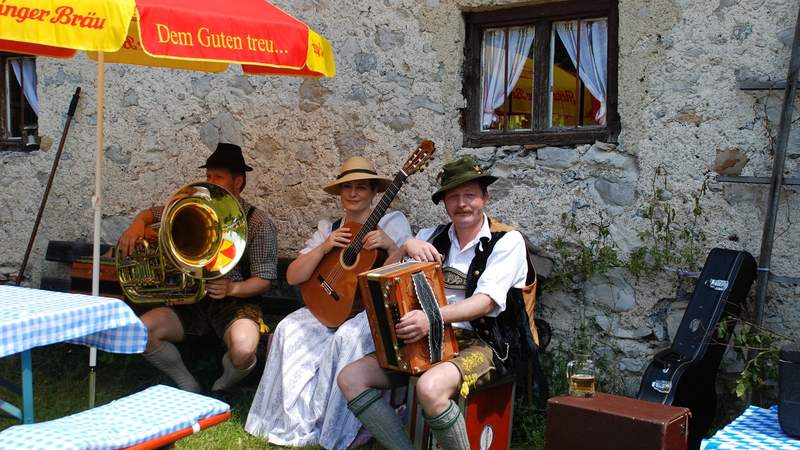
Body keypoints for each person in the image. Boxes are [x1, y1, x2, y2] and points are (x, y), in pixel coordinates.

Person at [336, 155, 535, 450]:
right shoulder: (431, 236)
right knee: (350, 377)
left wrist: (430, 317)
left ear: (485, 197)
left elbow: (484, 302)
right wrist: (402, 246)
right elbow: (377, 282)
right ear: (444, 203)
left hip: (489, 343)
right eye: (453, 196)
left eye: (470, 195)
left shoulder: (507, 241)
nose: (462, 203)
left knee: (430, 387)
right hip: (429, 338)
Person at [246, 156, 412, 449]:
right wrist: (325, 247)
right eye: (347, 187)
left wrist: (389, 245)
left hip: (368, 313)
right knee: (288, 328)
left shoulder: (390, 222)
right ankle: (286, 419)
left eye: (361, 187)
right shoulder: (331, 227)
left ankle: (329, 425)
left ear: (374, 192)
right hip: (332, 307)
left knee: (345, 339)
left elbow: (407, 271)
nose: (353, 193)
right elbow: (294, 276)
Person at [118, 143, 278, 393]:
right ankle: (187, 383)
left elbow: (264, 279)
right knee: (141, 331)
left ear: (238, 182)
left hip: (234, 304)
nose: (210, 181)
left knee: (244, 350)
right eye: (208, 176)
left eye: (218, 177)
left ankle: (223, 382)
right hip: (190, 301)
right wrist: (136, 226)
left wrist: (232, 289)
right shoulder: (195, 203)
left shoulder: (258, 222)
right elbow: (150, 214)